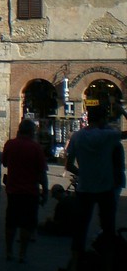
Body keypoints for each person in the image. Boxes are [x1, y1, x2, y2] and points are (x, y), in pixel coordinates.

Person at [63, 102, 127, 271]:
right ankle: (108, 264)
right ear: (103, 119)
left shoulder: (77, 136)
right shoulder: (108, 135)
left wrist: (82, 172)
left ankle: (75, 262)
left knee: (80, 228)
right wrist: (123, 112)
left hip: (84, 188)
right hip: (105, 187)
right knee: (108, 228)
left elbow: (69, 165)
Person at [2, 118, 48, 264]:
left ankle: (9, 251)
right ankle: (22, 253)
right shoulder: (36, 148)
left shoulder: (10, 144)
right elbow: (42, 173)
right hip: (30, 191)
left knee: (11, 222)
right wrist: (45, 191)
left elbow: (4, 162)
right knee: (27, 224)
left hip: (13, 189)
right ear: (32, 132)